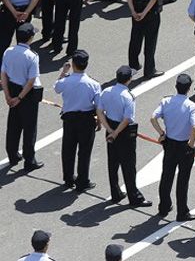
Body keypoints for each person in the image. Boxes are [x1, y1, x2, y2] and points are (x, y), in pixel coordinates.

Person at [97, 64, 151, 207]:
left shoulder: (106, 91)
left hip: (110, 127)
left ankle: (115, 193)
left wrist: (109, 130)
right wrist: (116, 133)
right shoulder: (128, 96)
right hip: (124, 132)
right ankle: (134, 197)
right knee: (128, 166)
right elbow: (127, 119)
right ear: (129, 80)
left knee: (113, 163)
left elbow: (100, 111)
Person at [151, 73, 195, 222]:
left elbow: (153, 118)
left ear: (176, 86)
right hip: (184, 146)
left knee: (166, 176)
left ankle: (164, 207)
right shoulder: (191, 106)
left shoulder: (166, 101)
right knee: (182, 180)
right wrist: (191, 145)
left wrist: (161, 133)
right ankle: (182, 212)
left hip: (170, 143)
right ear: (189, 88)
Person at [54, 50, 100, 190]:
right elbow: (98, 106)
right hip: (87, 119)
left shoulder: (66, 81)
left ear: (73, 64)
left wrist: (63, 71)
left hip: (69, 119)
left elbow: (56, 87)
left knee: (68, 149)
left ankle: (68, 178)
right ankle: (82, 181)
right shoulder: (93, 84)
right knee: (85, 152)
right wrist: (98, 121)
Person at [2, 23, 43, 171]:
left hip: (12, 88)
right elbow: (31, 81)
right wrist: (20, 97)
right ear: (30, 38)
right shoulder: (32, 56)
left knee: (14, 124)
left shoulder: (8, 51)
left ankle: (12, 154)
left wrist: (8, 96)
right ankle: (29, 160)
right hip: (26, 94)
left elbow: (3, 75)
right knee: (29, 127)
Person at [125, 0, 164, 78]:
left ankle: (133, 65)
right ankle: (149, 70)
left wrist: (133, 11)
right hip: (150, 10)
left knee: (135, 37)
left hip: (136, 4)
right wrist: (144, 12)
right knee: (150, 40)